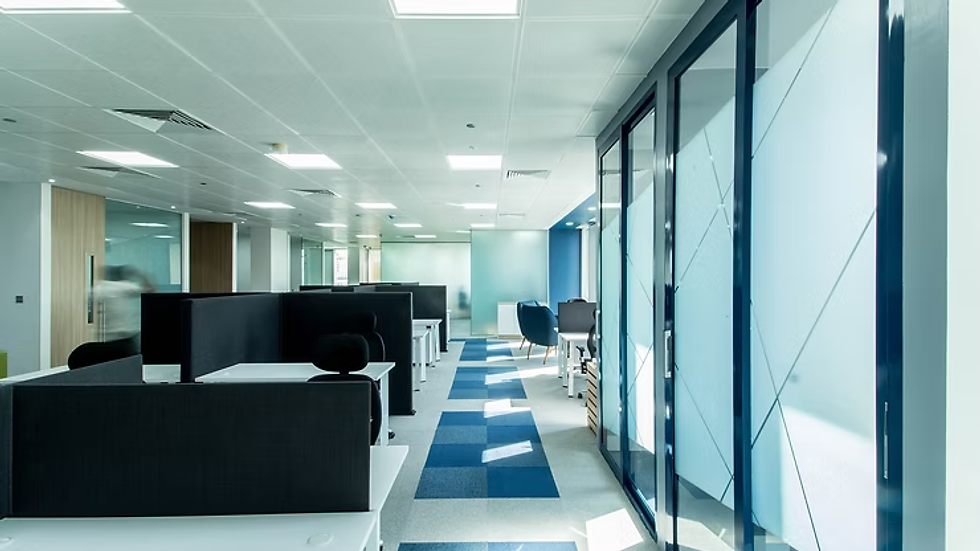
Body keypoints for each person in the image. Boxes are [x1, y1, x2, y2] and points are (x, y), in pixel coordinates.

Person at [94, 265, 155, 354]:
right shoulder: (124, 286)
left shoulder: (101, 288)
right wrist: (140, 275)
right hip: (126, 335)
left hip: (107, 336)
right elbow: (150, 289)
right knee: (131, 361)